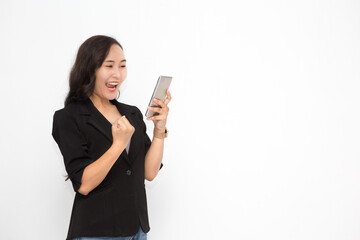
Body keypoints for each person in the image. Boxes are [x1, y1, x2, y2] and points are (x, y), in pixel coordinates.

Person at [52, 35, 171, 240]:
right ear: (90, 69)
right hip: (97, 232)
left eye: (122, 66)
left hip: (138, 229)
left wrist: (159, 130)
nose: (117, 74)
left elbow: (149, 173)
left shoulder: (131, 114)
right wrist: (118, 144)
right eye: (109, 65)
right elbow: (84, 184)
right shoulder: (69, 118)